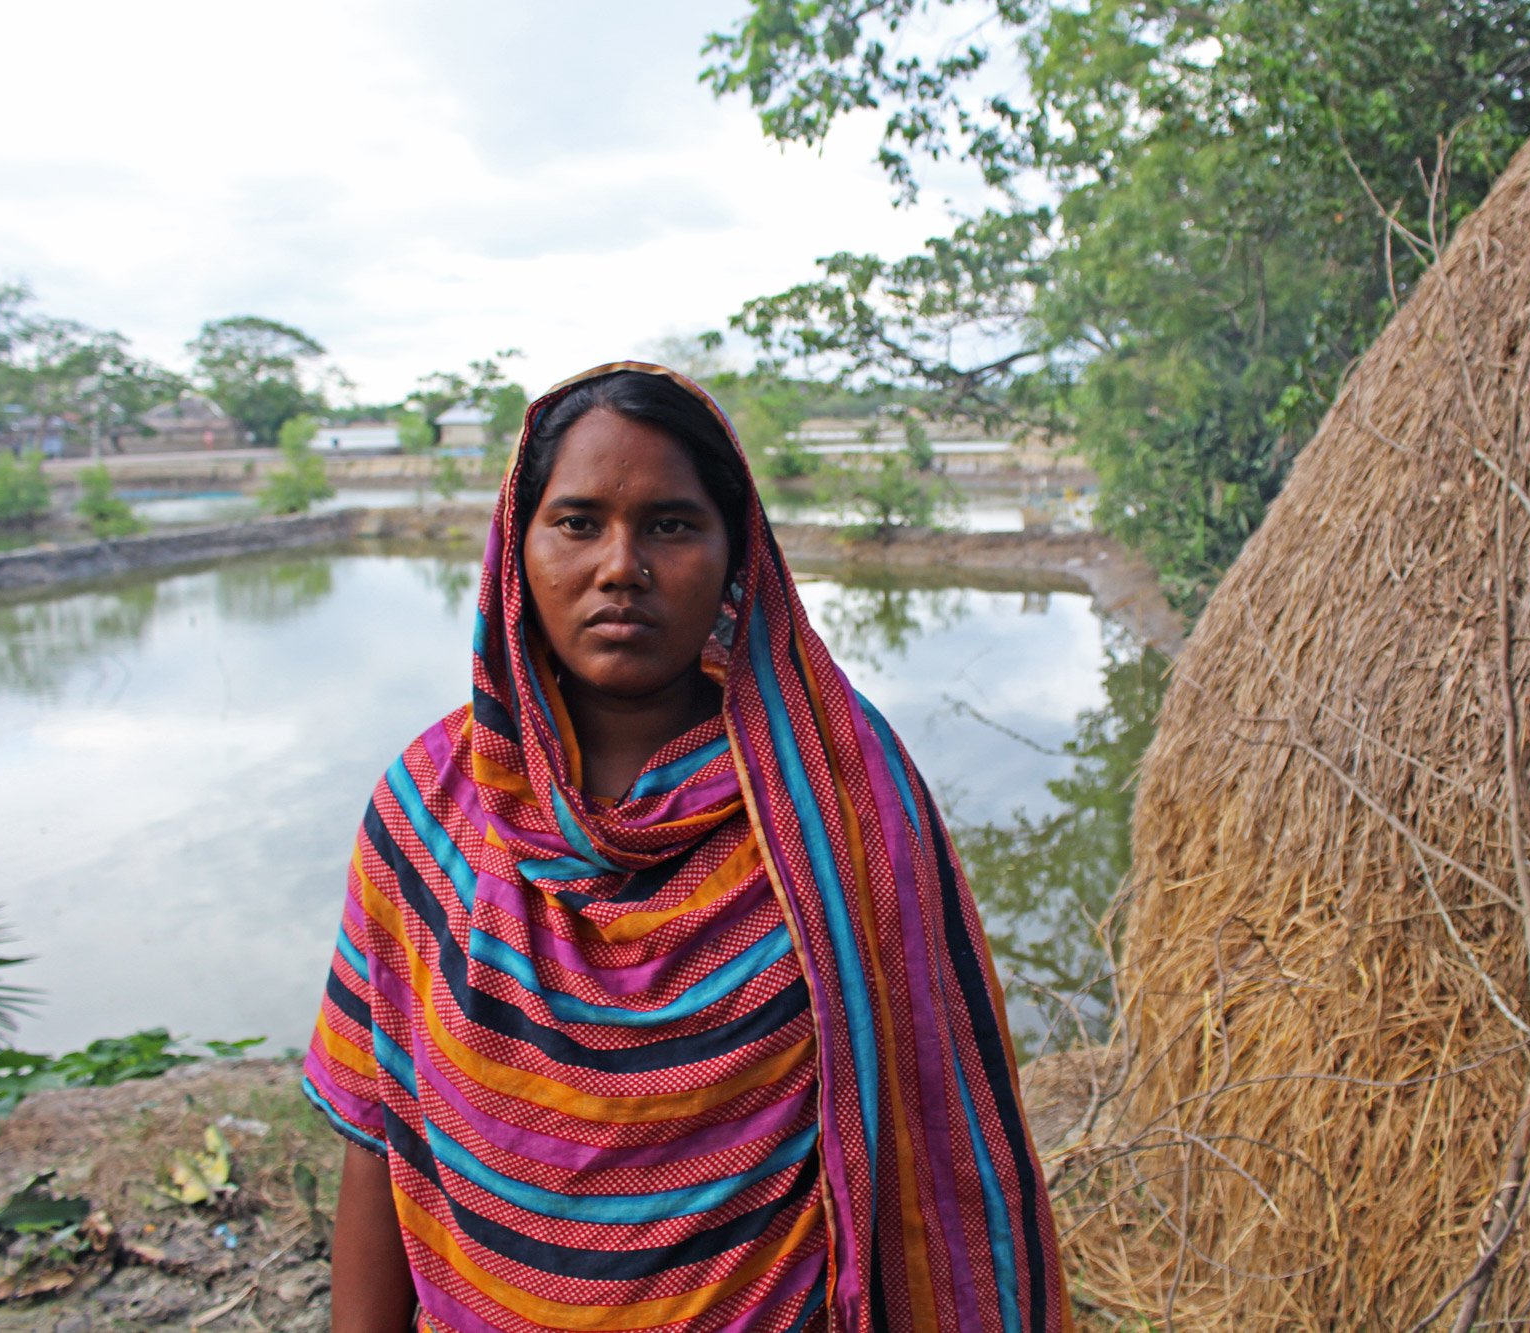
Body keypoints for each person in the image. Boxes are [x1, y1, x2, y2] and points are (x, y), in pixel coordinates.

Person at [304, 363, 1065, 1333]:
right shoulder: (427, 811)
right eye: (577, 522)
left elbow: (932, 1144)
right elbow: (376, 1130)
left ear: (733, 552)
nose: (620, 566)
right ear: (515, 549)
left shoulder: (838, 807)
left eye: (669, 523)